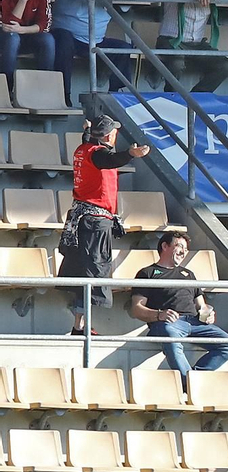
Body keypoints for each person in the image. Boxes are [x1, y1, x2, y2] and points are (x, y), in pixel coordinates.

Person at [59, 116, 149, 335]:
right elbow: (110, 159)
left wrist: (88, 130)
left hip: (83, 219)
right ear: (110, 135)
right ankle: (80, 326)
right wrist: (130, 154)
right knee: (93, 271)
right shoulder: (99, 154)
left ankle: (80, 324)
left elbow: (94, 144)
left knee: (85, 270)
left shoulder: (84, 148)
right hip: (94, 223)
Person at [129, 231, 228, 380]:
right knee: (171, 337)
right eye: (179, 246)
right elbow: (136, 308)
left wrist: (208, 314)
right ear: (165, 246)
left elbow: (202, 305)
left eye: (186, 249)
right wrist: (159, 314)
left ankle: (193, 378)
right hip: (169, 323)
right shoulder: (148, 273)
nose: (183, 252)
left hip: (196, 323)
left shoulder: (189, 274)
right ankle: (188, 384)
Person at [52, 0, 133, 94]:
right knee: (63, 42)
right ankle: (63, 95)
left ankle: (116, 96)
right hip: (69, 35)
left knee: (124, 48)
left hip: (96, 38)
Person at [156, 0, 228, 92]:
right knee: (176, 63)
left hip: (197, 43)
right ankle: (171, 98)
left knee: (225, 66)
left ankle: (195, 101)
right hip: (170, 40)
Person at [0, 0, 54, 82]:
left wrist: (22, 30)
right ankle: (6, 88)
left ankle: (45, 86)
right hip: (5, 37)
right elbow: (9, 26)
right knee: (13, 37)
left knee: (48, 39)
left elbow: (44, 26)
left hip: (28, 34)